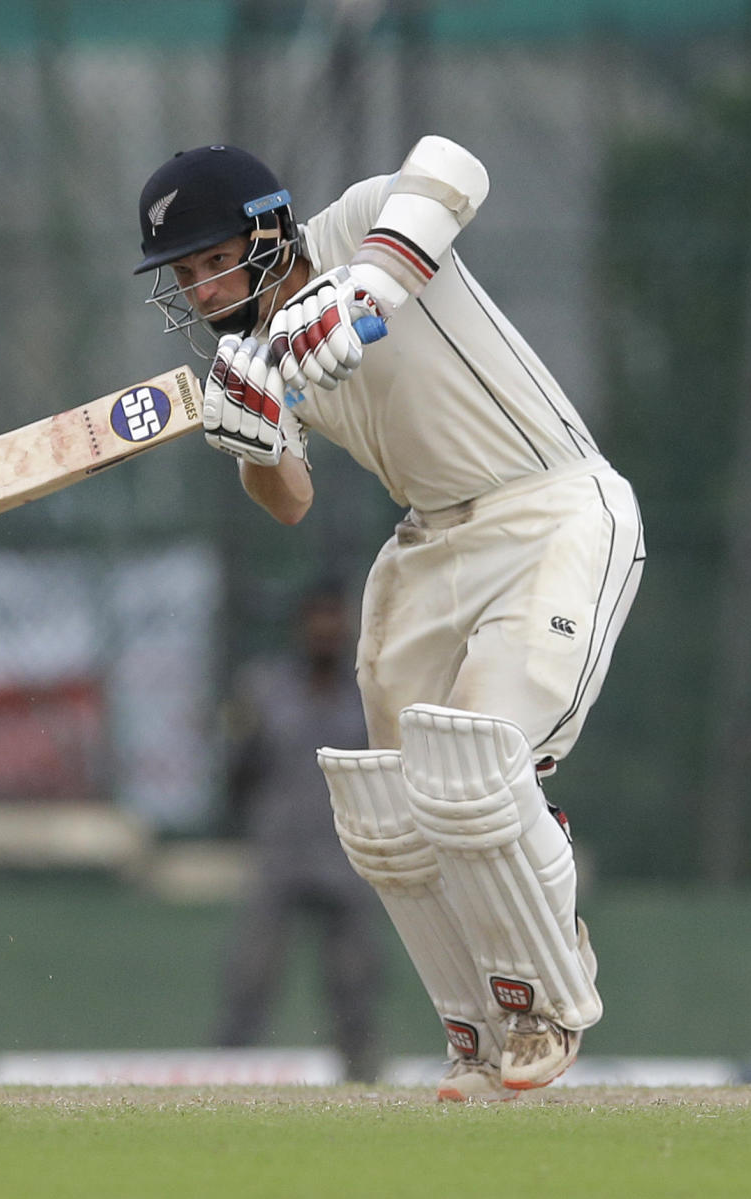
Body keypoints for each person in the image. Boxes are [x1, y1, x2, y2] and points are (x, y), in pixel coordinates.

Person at [134, 140, 644, 1101]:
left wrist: (358, 290)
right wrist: (256, 432)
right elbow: (287, 501)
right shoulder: (250, 356)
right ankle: (475, 1026)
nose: (202, 291)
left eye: (213, 261)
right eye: (185, 274)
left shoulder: (361, 219)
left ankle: (546, 995)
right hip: (430, 548)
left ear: (271, 229)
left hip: (551, 507)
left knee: (481, 765)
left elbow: (457, 167)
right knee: (387, 813)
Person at [212, 581, 385, 1084]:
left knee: (356, 980)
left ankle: (364, 1082)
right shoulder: (265, 688)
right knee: (251, 974)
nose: (325, 633)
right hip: (281, 848)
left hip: (349, 852)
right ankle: (221, 1077)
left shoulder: (369, 691)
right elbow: (237, 769)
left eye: (335, 622)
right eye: (317, 621)